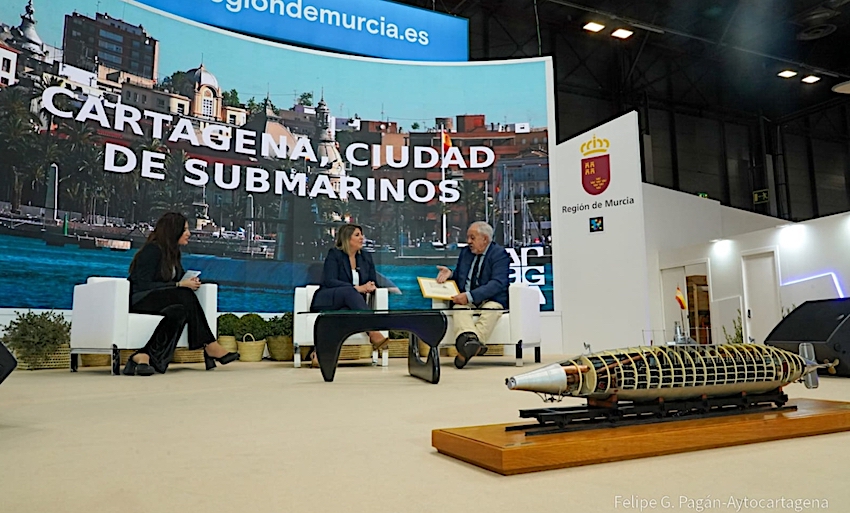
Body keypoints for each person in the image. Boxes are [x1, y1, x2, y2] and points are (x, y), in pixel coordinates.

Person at [125, 212, 239, 376]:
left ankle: (143, 356)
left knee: (179, 312)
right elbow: (142, 284)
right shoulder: (152, 250)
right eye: (185, 229)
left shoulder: (173, 253)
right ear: (173, 231)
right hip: (140, 300)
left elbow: (175, 280)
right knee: (184, 294)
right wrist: (179, 284)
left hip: (160, 301)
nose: (189, 233)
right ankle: (209, 345)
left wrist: (189, 281)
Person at [309, 223, 389, 368]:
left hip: (351, 304)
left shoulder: (365, 257)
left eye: (362, 235)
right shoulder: (335, 254)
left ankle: (319, 355)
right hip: (329, 298)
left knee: (342, 314)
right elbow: (330, 281)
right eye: (357, 235)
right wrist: (357, 288)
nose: (362, 238)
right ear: (347, 238)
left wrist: (371, 286)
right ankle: (373, 332)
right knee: (349, 291)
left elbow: (373, 280)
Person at [436, 221, 510, 369]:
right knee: (459, 309)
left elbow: (498, 283)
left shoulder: (499, 254)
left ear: (485, 239)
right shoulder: (466, 253)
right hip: (466, 300)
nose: (468, 241)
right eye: (468, 237)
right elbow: (460, 276)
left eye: (472, 238)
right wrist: (450, 274)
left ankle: (467, 348)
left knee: (490, 310)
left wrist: (470, 296)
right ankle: (473, 344)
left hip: (491, 299)